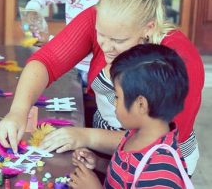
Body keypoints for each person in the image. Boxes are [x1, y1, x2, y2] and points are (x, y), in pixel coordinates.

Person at [0, 0, 204, 175]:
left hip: (154, 164)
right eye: (100, 34)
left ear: (148, 29)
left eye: (118, 40)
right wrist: (18, 112)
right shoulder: (103, 18)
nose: (105, 46)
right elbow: (46, 61)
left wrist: (87, 136)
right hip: (104, 154)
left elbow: (159, 138)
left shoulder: (180, 61)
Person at [70, 44, 191, 188]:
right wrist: (98, 162)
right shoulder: (135, 134)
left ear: (141, 104)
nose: (114, 103)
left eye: (117, 96)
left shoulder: (161, 172)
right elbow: (126, 176)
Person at [25, 0, 101, 86]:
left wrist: (49, 40)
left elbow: (81, 45)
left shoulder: (94, 0)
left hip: (87, 70)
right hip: (72, 64)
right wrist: (32, 10)